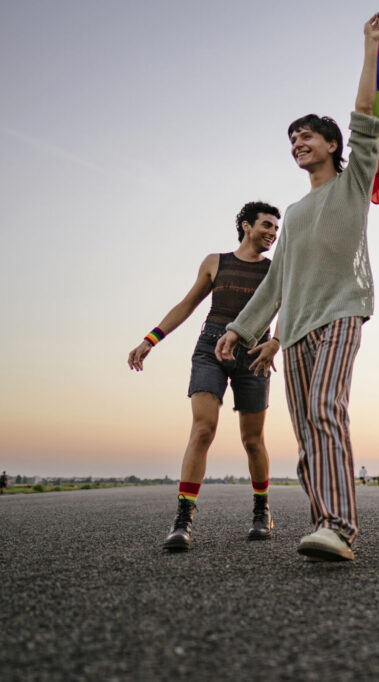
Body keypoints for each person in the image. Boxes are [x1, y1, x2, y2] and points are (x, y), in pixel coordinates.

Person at [214, 14, 379, 562]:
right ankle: (323, 525)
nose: (298, 143)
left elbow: (365, 118)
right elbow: (278, 282)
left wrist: (369, 46)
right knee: (307, 433)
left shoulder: (354, 181)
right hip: (297, 331)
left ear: (332, 144)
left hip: (342, 313)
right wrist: (244, 330)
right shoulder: (292, 212)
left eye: (307, 135)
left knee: (325, 411)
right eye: (292, 139)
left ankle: (340, 526)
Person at [128, 201, 281, 551]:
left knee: (253, 440)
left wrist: (276, 342)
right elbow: (186, 304)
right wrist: (151, 339)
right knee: (202, 430)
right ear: (246, 225)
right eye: (267, 225)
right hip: (210, 348)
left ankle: (262, 512)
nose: (272, 233)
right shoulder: (216, 262)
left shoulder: (276, 270)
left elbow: (287, 309)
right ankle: (183, 519)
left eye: (275, 229)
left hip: (254, 355)